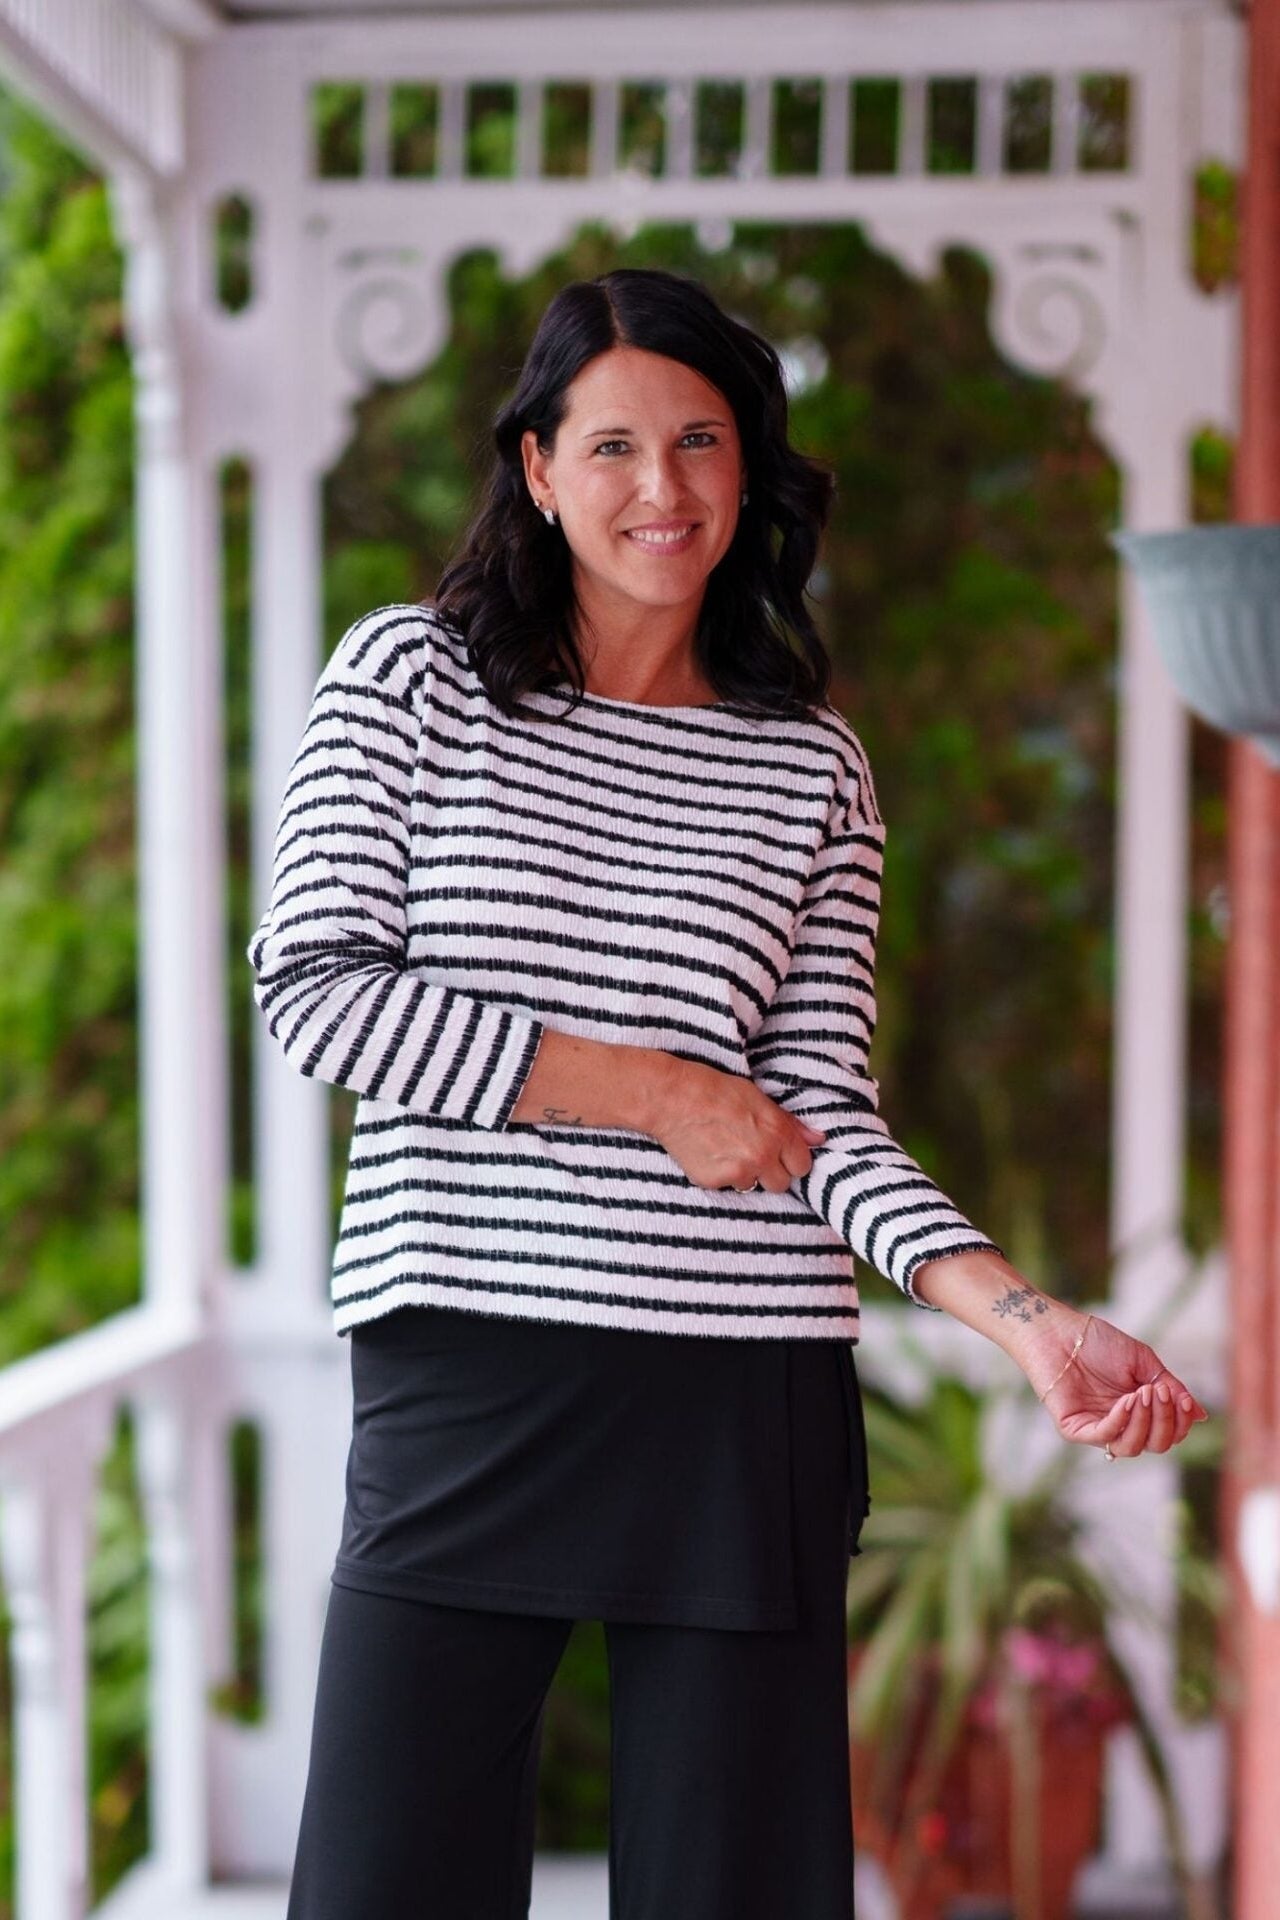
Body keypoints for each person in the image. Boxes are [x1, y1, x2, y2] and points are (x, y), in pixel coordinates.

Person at [247, 265, 1207, 1920]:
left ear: (748, 470)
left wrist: (1028, 1318)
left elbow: (823, 1108)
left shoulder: (806, 766)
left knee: (736, 1893)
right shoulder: (407, 681)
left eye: (699, 442)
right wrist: (648, 1090)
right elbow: (318, 993)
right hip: (471, 1355)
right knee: (383, 1884)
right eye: (611, 447)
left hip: (739, 1388)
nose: (661, 490)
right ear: (537, 471)